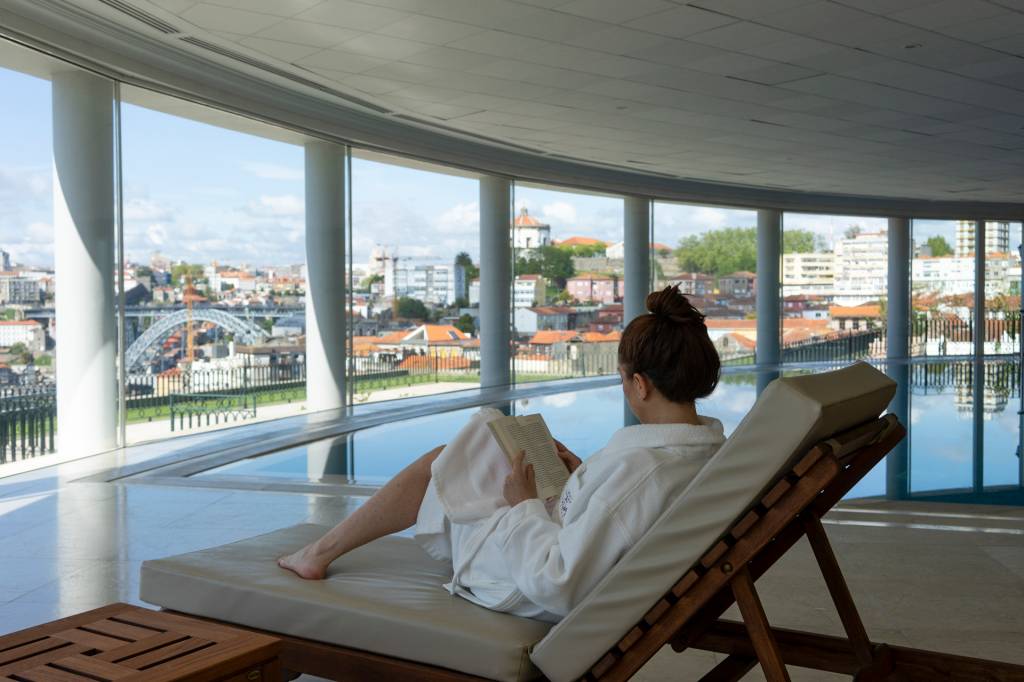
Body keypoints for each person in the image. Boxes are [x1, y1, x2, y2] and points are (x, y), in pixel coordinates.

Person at [278, 285, 725, 622]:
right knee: (485, 445)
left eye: (623, 379)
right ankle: (320, 550)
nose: (625, 388)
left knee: (444, 464)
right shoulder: (698, 455)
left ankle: (318, 553)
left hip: (520, 583)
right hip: (554, 540)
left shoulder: (643, 469)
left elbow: (557, 581)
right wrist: (580, 480)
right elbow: (614, 515)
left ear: (640, 384)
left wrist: (524, 505)